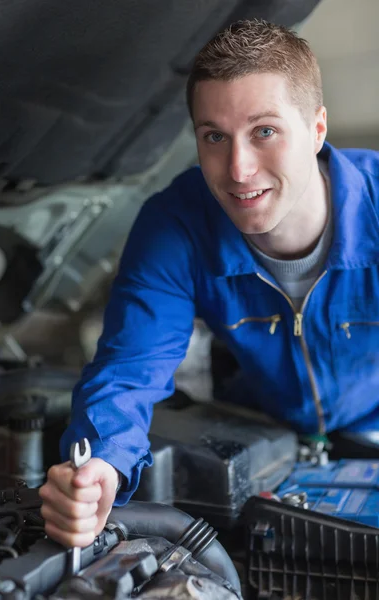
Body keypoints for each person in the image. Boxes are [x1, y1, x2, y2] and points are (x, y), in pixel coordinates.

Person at [39, 19, 379, 548]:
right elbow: (130, 369)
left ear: (316, 130)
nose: (238, 169)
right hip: (254, 431)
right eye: (214, 137)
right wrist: (102, 464)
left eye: (264, 131)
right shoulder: (175, 224)